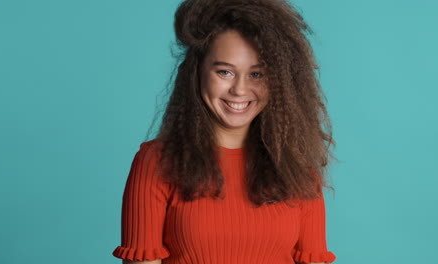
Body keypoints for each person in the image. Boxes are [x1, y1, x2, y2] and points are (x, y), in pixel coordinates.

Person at [112, 0, 337, 263]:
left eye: (256, 74)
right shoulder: (156, 162)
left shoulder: (298, 170)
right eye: (225, 72)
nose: (239, 90)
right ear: (197, 72)